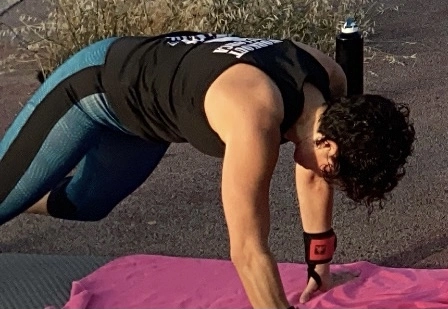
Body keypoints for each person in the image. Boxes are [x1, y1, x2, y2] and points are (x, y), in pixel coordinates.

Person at [0, 32, 414, 309]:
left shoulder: (329, 91)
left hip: (144, 122)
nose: (329, 179)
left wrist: (319, 268)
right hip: (95, 85)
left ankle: (23, 186)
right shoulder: (256, 121)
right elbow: (248, 250)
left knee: (86, 205)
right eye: (334, 171)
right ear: (327, 142)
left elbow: (312, 174)